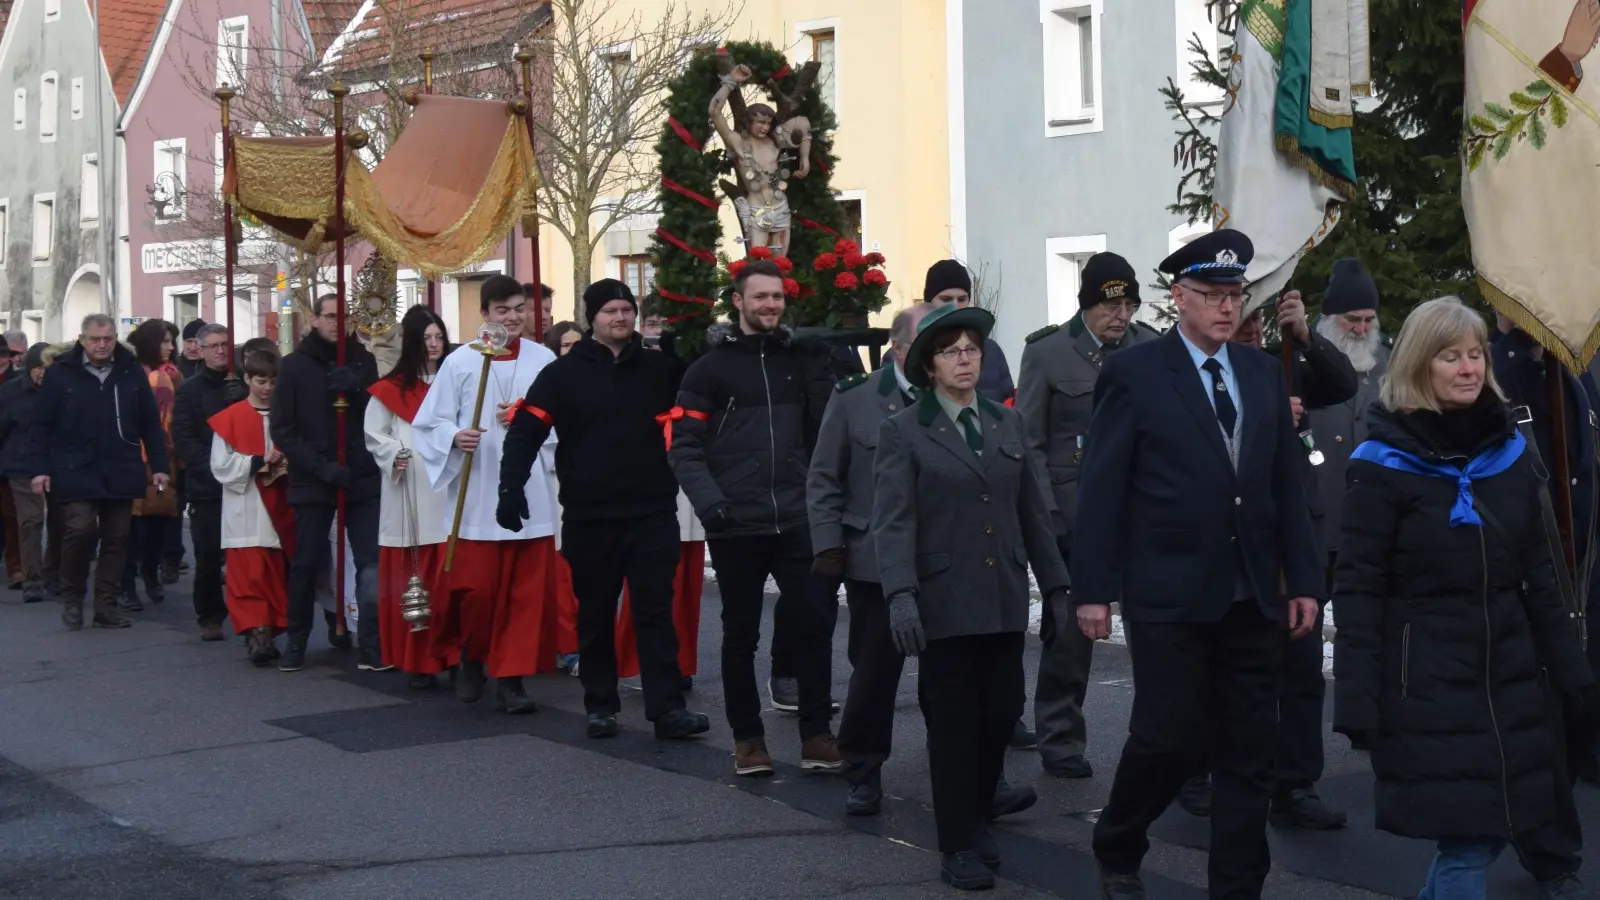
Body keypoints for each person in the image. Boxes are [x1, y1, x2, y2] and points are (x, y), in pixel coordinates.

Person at [1072, 231, 1323, 900]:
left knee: (1248, 749)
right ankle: (1119, 838)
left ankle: (1238, 887)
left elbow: (1284, 487)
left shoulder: (1262, 373)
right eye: (1211, 295)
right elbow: (1101, 488)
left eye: (1234, 295)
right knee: (1169, 736)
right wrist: (1092, 589)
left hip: (1250, 596)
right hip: (1169, 594)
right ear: (1178, 297)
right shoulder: (1135, 373)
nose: (1225, 307)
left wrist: (1302, 580)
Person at [1333, 297, 1595, 900]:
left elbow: (1538, 571)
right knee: (1470, 836)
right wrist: (1356, 696)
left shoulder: (1509, 452)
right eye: (1451, 356)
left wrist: (1573, 670)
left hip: (1510, 674)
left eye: (1476, 354)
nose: (1470, 367)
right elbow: (1359, 588)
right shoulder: (1381, 464)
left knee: (1491, 823)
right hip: (1426, 681)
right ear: (1421, 364)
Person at [871, 302, 1069, 890]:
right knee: (955, 724)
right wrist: (900, 594)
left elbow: (1034, 510)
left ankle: (979, 812)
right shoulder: (902, 430)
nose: (965, 359)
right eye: (951, 351)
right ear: (928, 366)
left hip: (1002, 595)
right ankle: (957, 841)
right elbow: (894, 521)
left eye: (973, 349)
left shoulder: (1004, 423)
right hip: (943, 600)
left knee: (1002, 711)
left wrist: (1056, 585)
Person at [498, 278, 710, 739]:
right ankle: (600, 704)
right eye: (611, 310)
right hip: (590, 515)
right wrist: (509, 488)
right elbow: (526, 431)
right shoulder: (562, 374)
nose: (620, 318)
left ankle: (667, 708)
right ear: (593, 317)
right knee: (594, 612)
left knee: (655, 610)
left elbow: (702, 395)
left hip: (651, 510)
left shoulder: (660, 370)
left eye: (626, 310)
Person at [668, 259, 842, 776]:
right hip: (735, 522)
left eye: (778, 297)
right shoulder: (709, 369)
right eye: (760, 297)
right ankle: (748, 740)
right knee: (740, 634)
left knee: (813, 623)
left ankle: (816, 735)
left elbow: (827, 430)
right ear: (738, 302)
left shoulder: (798, 359)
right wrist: (711, 503)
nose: (771, 305)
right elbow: (683, 446)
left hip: (795, 517)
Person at [1016, 251, 1160, 781]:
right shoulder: (1049, 353)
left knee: (1156, 632)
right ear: (1088, 305)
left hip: (1140, 511)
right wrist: (1048, 514)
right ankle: (1059, 737)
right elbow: (1028, 441)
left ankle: (1159, 736)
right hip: (1073, 514)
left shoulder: (1150, 347)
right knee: (1071, 637)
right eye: (1111, 305)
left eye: (1129, 304)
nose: (1120, 315)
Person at [412, 275, 562, 714]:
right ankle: (471, 656)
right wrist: (455, 437)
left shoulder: (544, 359)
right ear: (484, 316)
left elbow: (566, 417)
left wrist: (535, 423)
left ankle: (511, 678)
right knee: (474, 590)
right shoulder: (462, 362)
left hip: (529, 489)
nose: (513, 317)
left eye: (518, 308)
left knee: (523, 594)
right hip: (476, 494)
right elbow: (429, 422)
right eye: (502, 311)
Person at [1488, 311, 1599, 896]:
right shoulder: (1490, 367)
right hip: (1529, 575)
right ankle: (1551, 852)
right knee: (1542, 724)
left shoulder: (1580, 367)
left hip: (1588, 566)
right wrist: (1513, 344)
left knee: (1581, 707)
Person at [810, 302, 933, 815]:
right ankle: (863, 768)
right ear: (898, 350)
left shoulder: (960, 399)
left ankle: (978, 775)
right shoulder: (857, 400)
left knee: (957, 677)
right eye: (928, 343)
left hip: (947, 558)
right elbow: (823, 478)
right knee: (875, 673)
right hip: (874, 561)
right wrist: (829, 546)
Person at [31, 313, 171, 631]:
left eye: (107, 338)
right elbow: (41, 425)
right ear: (82, 340)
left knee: (117, 538)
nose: (102, 345)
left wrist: (160, 467)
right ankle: (72, 597)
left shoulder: (130, 371)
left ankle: (106, 605)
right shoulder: (61, 373)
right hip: (75, 467)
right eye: (95, 339)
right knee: (79, 531)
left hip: (120, 465)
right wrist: (40, 469)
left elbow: (150, 422)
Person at [271, 294, 383, 672]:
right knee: (306, 561)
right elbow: (283, 429)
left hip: (360, 475)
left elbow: (380, 414)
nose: (338, 323)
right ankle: (297, 639)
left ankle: (371, 642)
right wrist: (319, 467)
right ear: (315, 320)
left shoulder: (363, 361)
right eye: (330, 316)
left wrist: (358, 389)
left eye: (343, 316)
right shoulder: (294, 366)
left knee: (371, 561)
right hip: (313, 477)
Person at [364, 306, 457, 688]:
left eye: (439, 337)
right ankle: (417, 660)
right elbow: (375, 434)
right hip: (412, 488)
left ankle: (452, 655)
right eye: (427, 338)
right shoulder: (392, 388)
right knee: (414, 577)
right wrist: (393, 454)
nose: (434, 345)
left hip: (450, 488)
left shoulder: (457, 379)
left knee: (449, 579)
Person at [210, 350, 292, 665]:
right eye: (260, 381)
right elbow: (220, 466)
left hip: (279, 508)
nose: (267, 388)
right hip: (245, 508)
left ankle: (266, 632)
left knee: (273, 575)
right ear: (246, 379)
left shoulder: (286, 415)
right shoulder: (230, 419)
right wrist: (257, 461)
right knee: (247, 577)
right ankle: (257, 633)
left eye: (273, 381)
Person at [172, 324, 245, 641]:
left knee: (245, 556)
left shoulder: (244, 384)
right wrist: (214, 467)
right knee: (208, 558)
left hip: (245, 482)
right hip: (208, 485)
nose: (219, 350)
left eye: (224, 345)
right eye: (213, 345)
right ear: (200, 350)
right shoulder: (189, 390)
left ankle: (249, 615)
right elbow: (185, 438)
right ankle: (210, 615)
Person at [708, 63, 812, 255]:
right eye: (760, 122)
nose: (764, 128)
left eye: (768, 123)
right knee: (759, 266)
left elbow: (803, 123)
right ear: (749, 121)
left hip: (780, 208)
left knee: (780, 267)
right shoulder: (739, 143)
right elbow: (714, 112)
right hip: (755, 210)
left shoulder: (775, 140)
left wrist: (805, 158)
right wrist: (730, 81)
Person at [119, 320, 180, 612]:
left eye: (171, 342)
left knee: (158, 522)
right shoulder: (129, 374)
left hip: (161, 458)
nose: (170, 347)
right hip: (130, 458)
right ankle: (127, 583)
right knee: (130, 527)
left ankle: (150, 572)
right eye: (164, 341)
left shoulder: (171, 376)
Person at [923, 260, 1014, 405]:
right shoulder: (908, 352)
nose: (955, 306)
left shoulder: (992, 350)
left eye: (962, 299)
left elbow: (1007, 402)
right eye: (946, 299)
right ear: (928, 302)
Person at [0, 343, 49, 603]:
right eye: (39, 368)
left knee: (67, 523)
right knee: (30, 521)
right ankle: (33, 579)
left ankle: (54, 572)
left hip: (61, 465)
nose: (43, 373)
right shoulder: (11, 392)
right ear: (29, 368)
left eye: (48, 368)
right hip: (22, 466)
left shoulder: (62, 390)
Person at [0, 330, 28, 589]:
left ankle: (16, 568)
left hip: (8, 457)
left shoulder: (16, 384)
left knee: (12, 516)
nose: (1, 359)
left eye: (4, 354)